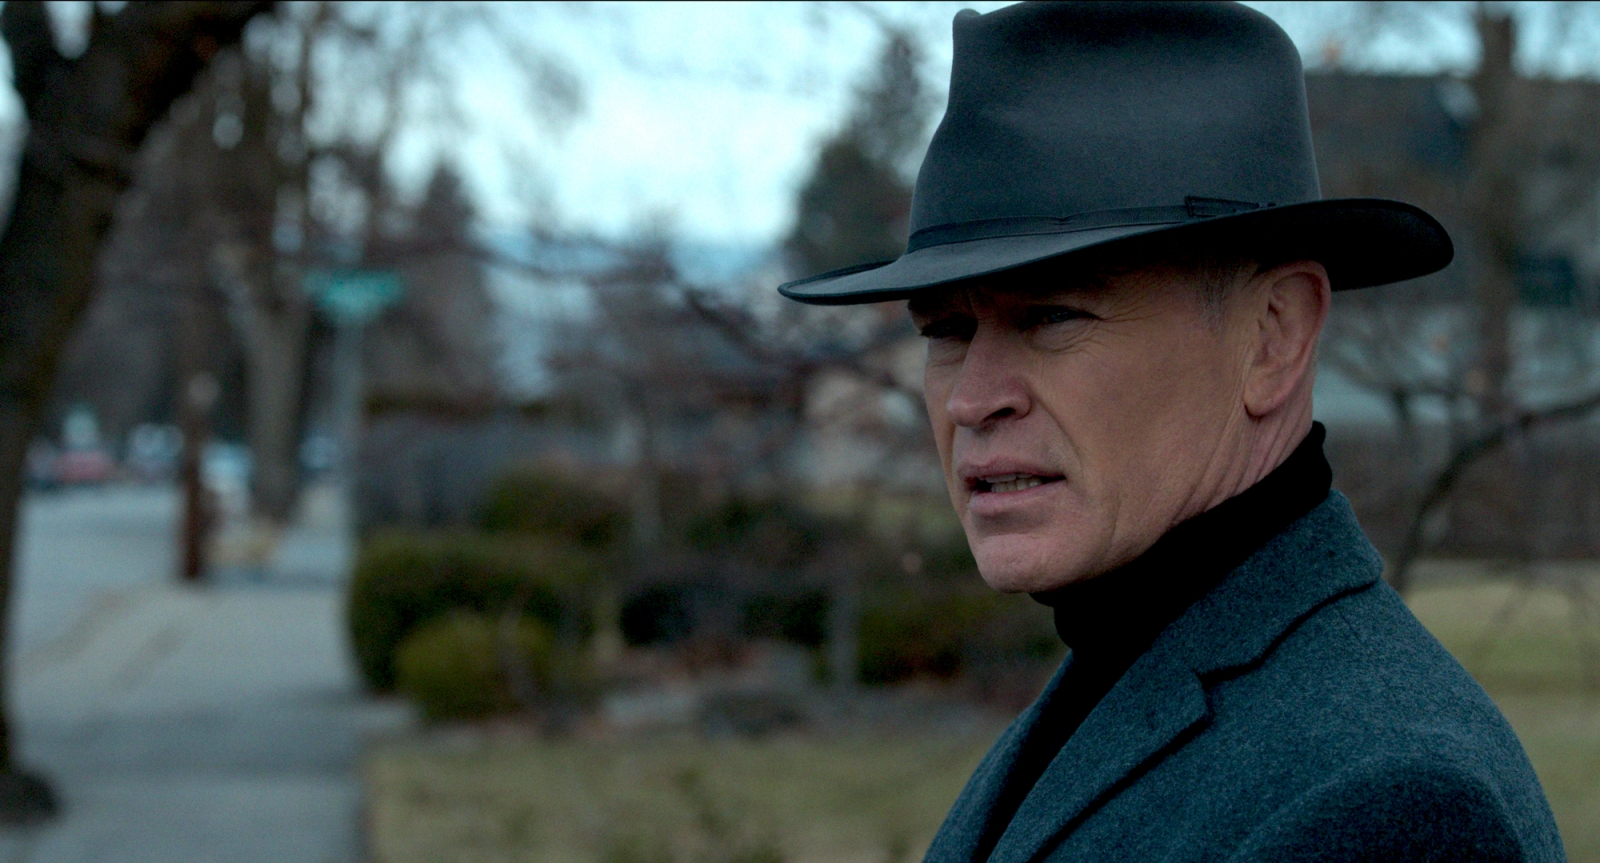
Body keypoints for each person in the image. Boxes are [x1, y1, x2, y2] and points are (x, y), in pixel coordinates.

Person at [777, 3, 1565, 860]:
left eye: (1052, 315)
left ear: (1274, 335)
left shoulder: (1388, 802)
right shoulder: (1128, 672)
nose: (972, 399)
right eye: (946, 330)